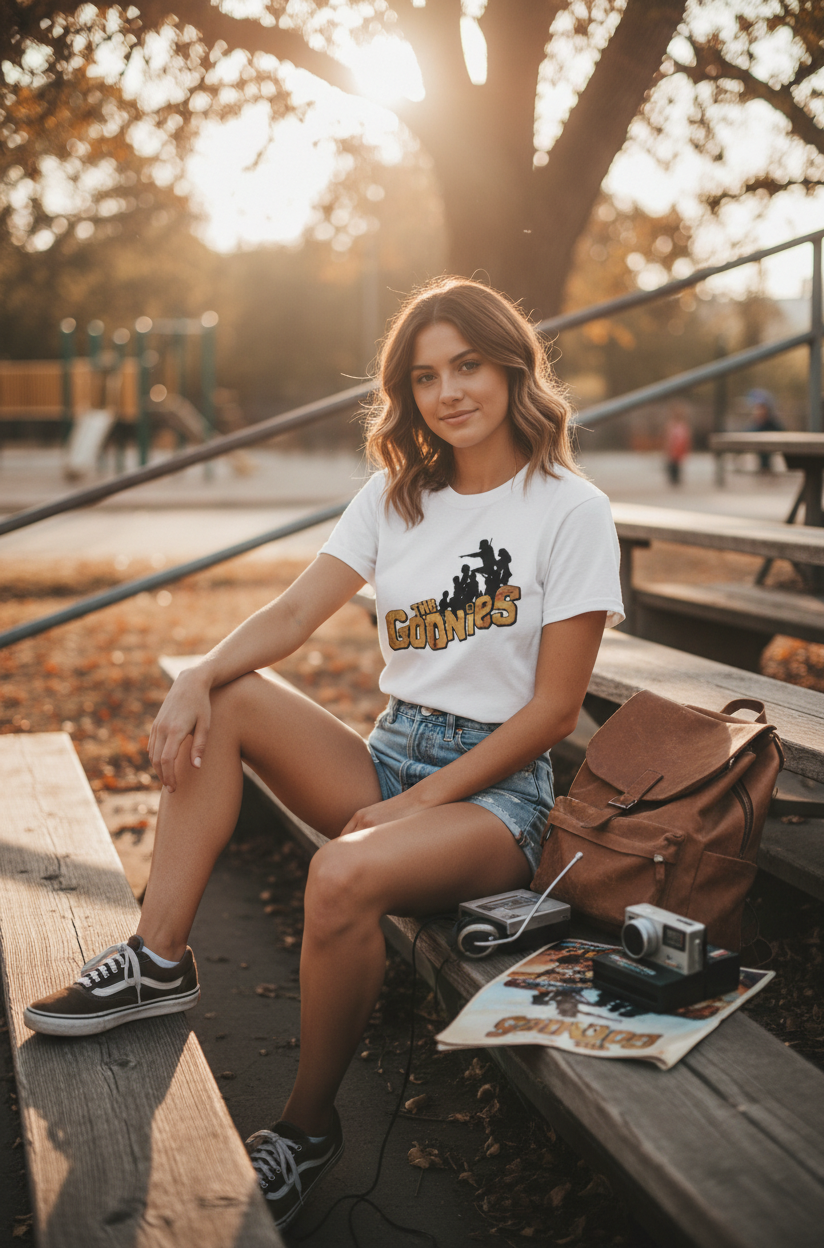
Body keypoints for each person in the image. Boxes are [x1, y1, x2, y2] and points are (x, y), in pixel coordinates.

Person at [23, 277, 625, 1227]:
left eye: (468, 365)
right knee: (226, 696)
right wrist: (198, 674)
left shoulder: (570, 509)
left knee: (342, 873)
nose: (449, 391)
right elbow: (298, 611)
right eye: (425, 375)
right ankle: (158, 956)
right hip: (393, 752)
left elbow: (552, 714)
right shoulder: (395, 495)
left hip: (497, 797)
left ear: (513, 366)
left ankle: (306, 1130)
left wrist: (418, 807)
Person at [745, 389, 783, 472]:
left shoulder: (773, 425)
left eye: (762, 408)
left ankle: (765, 468)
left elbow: (782, 431)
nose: (759, 411)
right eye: (757, 409)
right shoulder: (754, 427)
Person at [664, 404, 691, 486]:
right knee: (672, 464)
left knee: (678, 464)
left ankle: (676, 479)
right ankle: (673, 479)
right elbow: (668, 437)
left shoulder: (682, 425)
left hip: (679, 446)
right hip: (673, 447)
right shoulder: (671, 425)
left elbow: (686, 437)